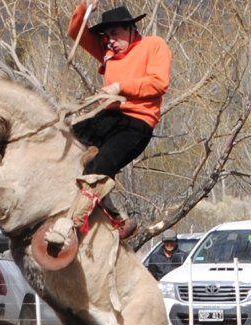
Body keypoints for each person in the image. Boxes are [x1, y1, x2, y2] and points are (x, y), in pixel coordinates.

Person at [46, 0, 173, 248]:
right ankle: (116, 215)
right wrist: (85, 6)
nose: (110, 40)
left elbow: (159, 83)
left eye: (114, 34)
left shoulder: (153, 45)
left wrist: (120, 87)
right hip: (108, 117)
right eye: (106, 36)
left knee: (100, 166)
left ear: (130, 29)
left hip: (136, 122)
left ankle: (70, 225)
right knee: (66, 139)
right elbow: (75, 31)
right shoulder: (108, 51)